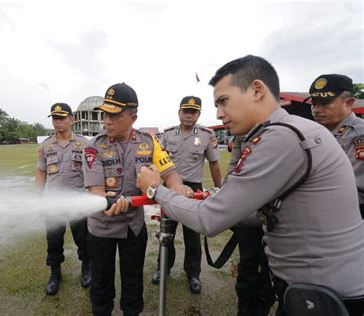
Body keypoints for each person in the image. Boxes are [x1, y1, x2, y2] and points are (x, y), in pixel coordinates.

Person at [137, 55, 364, 315]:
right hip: (316, 290)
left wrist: (155, 189)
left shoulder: (281, 137)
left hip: (325, 298)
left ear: (256, 90)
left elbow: (210, 219)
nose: (219, 113)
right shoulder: (287, 130)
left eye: (224, 101)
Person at [83, 83, 188, 316]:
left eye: (115, 115)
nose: (107, 121)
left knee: (133, 278)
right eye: (105, 114)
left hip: (133, 226)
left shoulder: (148, 142)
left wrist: (178, 186)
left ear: (133, 117)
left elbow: (169, 172)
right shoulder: (93, 147)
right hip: (101, 228)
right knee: (101, 282)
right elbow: (96, 191)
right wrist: (106, 202)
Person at [151, 96, 222, 294]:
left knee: (192, 236)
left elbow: (215, 164)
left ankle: (193, 274)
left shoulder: (207, 135)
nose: (188, 115)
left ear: (198, 114)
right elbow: (158, 161)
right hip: (170, 187)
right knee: (167, 233)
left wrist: (220, 190)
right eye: (185, 111)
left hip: (194, 190)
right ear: (179, 112)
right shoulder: (167, 135)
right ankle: (162, 268)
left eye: (193, 112)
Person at [35, 103, 91, 296]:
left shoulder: (84, 144)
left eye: (61, 117)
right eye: (54, 118)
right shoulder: (46, 145)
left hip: (78, 201)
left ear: (71, 119)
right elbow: (41, 172)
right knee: (53, 240)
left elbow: (92, 172)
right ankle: (55, 273)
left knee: (83, 239)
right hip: (53, 202)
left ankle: (87, 268)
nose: (57, 122)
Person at [227, 136, 275, 315]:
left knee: (270, 267)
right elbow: (234, 166)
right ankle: (244, 307)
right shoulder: (242, 133)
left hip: (275, 214)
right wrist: (226, 198)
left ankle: (262, 306)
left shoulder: (283, 130)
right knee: (247, 263)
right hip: (248, 212)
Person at [306, 74, 364, 218]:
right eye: (314, 104)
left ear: (349, 103)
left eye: (325, 103)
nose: (317, 110)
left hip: (351, 215)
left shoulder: (359, 134)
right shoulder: (315, 132)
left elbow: (356, 190)